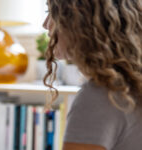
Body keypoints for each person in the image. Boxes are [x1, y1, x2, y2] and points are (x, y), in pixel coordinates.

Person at [42, 0, 142, 149]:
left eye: (51, 14)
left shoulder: (100, 96)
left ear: (79, 22)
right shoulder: (130, 86)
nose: (45, 24)